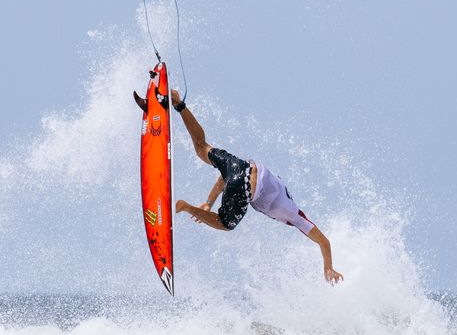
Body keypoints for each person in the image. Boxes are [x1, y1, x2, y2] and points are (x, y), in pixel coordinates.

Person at [137, 88, 343, 283]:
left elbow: (225, 179)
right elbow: (324, 241)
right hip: (246, 185)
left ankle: (178, 103)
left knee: (202, 147)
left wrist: (209, 202)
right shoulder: (294, 216)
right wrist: (328, 267)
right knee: (225, 224)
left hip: (241, 166)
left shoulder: (280, 190)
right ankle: (184, 206)